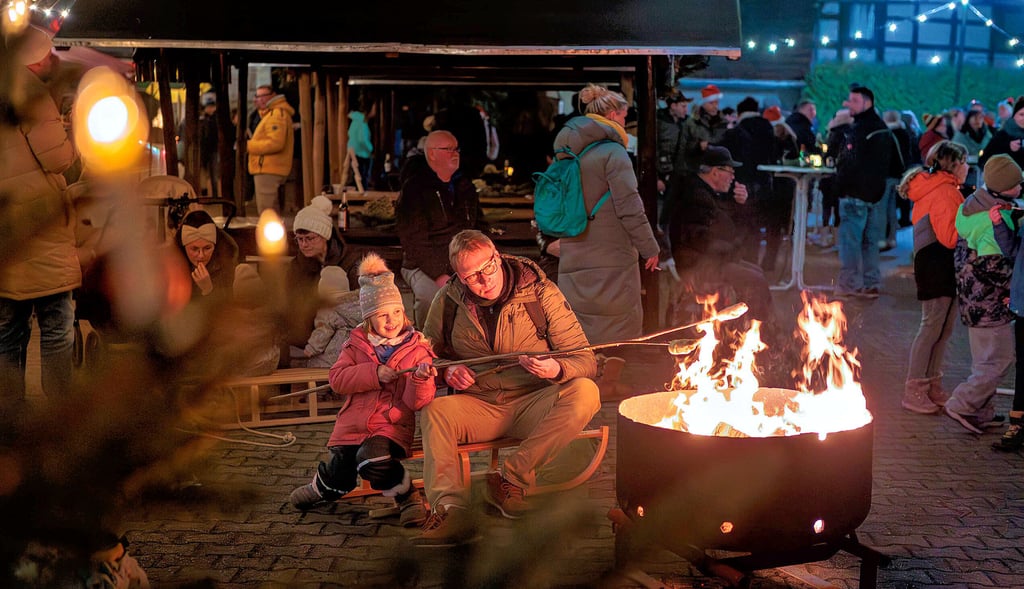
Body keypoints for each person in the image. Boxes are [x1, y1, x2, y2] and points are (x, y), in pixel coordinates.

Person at [413, 230, 600, 547]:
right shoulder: (447, 300)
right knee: (436, 411)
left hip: (534, 400)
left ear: (497, 257)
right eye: (471, 276)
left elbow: (585, 359)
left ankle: (509, 479)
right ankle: (451, 510)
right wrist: (447, 371)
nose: (484, 280)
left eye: (487, 267)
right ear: (459, 277)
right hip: (481, 405)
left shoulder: (540, 292)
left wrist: (556, 369)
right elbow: (424, 356)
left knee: (586, 392)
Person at [289, 252, 436, 528]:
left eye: (396, 312)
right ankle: (323, 488)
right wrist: (374, 373)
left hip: (389, 426)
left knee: (371, 459)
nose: (391, 320)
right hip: (353, 425)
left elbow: (417, 402)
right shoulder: (356, 344)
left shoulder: (417, 349)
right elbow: (337, 379)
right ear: (369, 318)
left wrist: (420, 379)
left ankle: (406, 495)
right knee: (341, 467)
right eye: (382, 314)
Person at [0, 25, 80, 409]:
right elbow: (58, 159)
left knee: (7, 331)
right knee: (56, 327)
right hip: (40, 230)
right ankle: (60, 413)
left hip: (6, 234)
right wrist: (72, 133)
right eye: (48, 54)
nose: (53, 61)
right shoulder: (32, 94)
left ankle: (9, 413)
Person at [552, 83, 660, 345]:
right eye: (624, 116)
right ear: (612, 115)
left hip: (574, 250)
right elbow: (629, 207)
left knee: (578, 329)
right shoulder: (614, 153)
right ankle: (613, 369)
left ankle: (584, 369)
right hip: (612, 256)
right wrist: (649, 248)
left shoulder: (566, 152)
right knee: (617, 333)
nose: (625, 123)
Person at [944, 155, 1023, 433]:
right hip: (990, 303)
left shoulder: (972, 205)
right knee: (999, 361)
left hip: (972, 298)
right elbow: (995, 267)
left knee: (984, 361)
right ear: (1003, 188)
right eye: (1016, 184)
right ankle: (962, 404)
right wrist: (1014, 290)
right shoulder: (991, 223)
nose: (1020, 187)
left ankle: (981, 411)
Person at [667, 146, 774, 326]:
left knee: (757, 273)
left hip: (708, 260)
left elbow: (725, 226)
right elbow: (707, 240)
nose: (733, 177)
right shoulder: (697, 196)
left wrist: (740, 204)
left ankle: (753, 327)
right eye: (730, 172)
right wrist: (733, 250)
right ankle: (760, 330)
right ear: (715, 172)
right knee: (756, 280)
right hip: (698, 265)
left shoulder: (705, 193)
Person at [898, 141, 969, 414]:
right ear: (953, 164)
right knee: (933, 328)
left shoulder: (938, 187)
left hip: (934, 263)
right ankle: (916, 389)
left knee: (940, 329)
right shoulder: (945, 191)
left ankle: (930, 385)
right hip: (938, 264)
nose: (967, 167)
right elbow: (950, 237)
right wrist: (971, 226)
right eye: (963, 162)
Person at [395, 130, 480, 328]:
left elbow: (478, 224)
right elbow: (414, 241)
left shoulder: (464, 186)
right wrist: (439, 274)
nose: (455, 154)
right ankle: (426, 341)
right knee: (431, 297)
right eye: (448, 149)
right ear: (432, 154)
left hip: (460, 260)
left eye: (456, 149)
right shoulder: (414, 188)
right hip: (422, 264)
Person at [833, 85, 892, 299]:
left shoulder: (857, 130)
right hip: (875, 194)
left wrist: (840, 187)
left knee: (850, 243)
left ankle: (848, 284)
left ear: (868, 103)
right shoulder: (882, 128)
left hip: (854, 194)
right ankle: (871, 282)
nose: (849, 104)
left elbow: (848, 162)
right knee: (870, 243)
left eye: (854, 101)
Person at [284, 195, 359, 353]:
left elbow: (356, 304)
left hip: (342, 331)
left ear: (325, 235)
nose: (304, 244)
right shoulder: (296, 266)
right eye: (299, 239)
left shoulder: (349, 261)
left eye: (309, 238)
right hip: (307, 332)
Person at [289, 266, 362, 369]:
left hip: (336, 357)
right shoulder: (360, 304)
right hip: (359, 356)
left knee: (304, 364)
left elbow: (323, 332)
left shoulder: (328, 308)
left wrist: (310, 349)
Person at [247, 84, 295, 213]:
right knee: (270, 211)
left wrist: (249, 146)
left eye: (264, 96)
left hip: (269, 168)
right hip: (268, 168)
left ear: (273, 96)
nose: (260, 99)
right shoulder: (269, 114)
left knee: (267, 212)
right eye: (258, 96)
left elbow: (275, 143)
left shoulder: (276, 115)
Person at [174, 210, 238, 304]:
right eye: (194, 249)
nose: (201, 255)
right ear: (184, 248)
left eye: (207, 248)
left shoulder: (227, 264)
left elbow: (228, 308)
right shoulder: (172, 265)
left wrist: (208, 289)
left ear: (215, 246)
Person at [655, 88, 693, 228]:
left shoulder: (687, 123)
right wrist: (656, 177)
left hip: (680, 175)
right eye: (683, 106)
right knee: (660, 214)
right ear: (673, 106)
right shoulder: (658, 123)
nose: (686, 110)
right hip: (663, 174)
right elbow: (652, 151)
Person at [881, 110, 912, 251]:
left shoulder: (886, 134)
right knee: (892, 208)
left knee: (883, 208)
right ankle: (892, 238)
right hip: (900, 174)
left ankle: (883, 238)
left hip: (887, 174)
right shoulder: (905, 133)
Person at [681, 84, 728, 177]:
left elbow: (726, 145)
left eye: (716, 103)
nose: (715, 106)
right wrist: (698, 146)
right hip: (695, 169)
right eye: (711, 103)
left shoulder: (723, 123)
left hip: (718, 171)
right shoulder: (692, 123)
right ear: (703, 103)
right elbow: (683, 147)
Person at [979, 96, 1024, 171]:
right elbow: (984, 160)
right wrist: (1007, 148)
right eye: (1021, 114)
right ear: (1014, 115)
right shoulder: (1002, 135)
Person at [348, 107, 374, 190]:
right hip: (363, 153)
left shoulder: (355, 121)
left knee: (358, 177)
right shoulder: (362, 122)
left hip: (355, 151)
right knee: (363, 178)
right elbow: (362, 139)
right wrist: (371, 149)